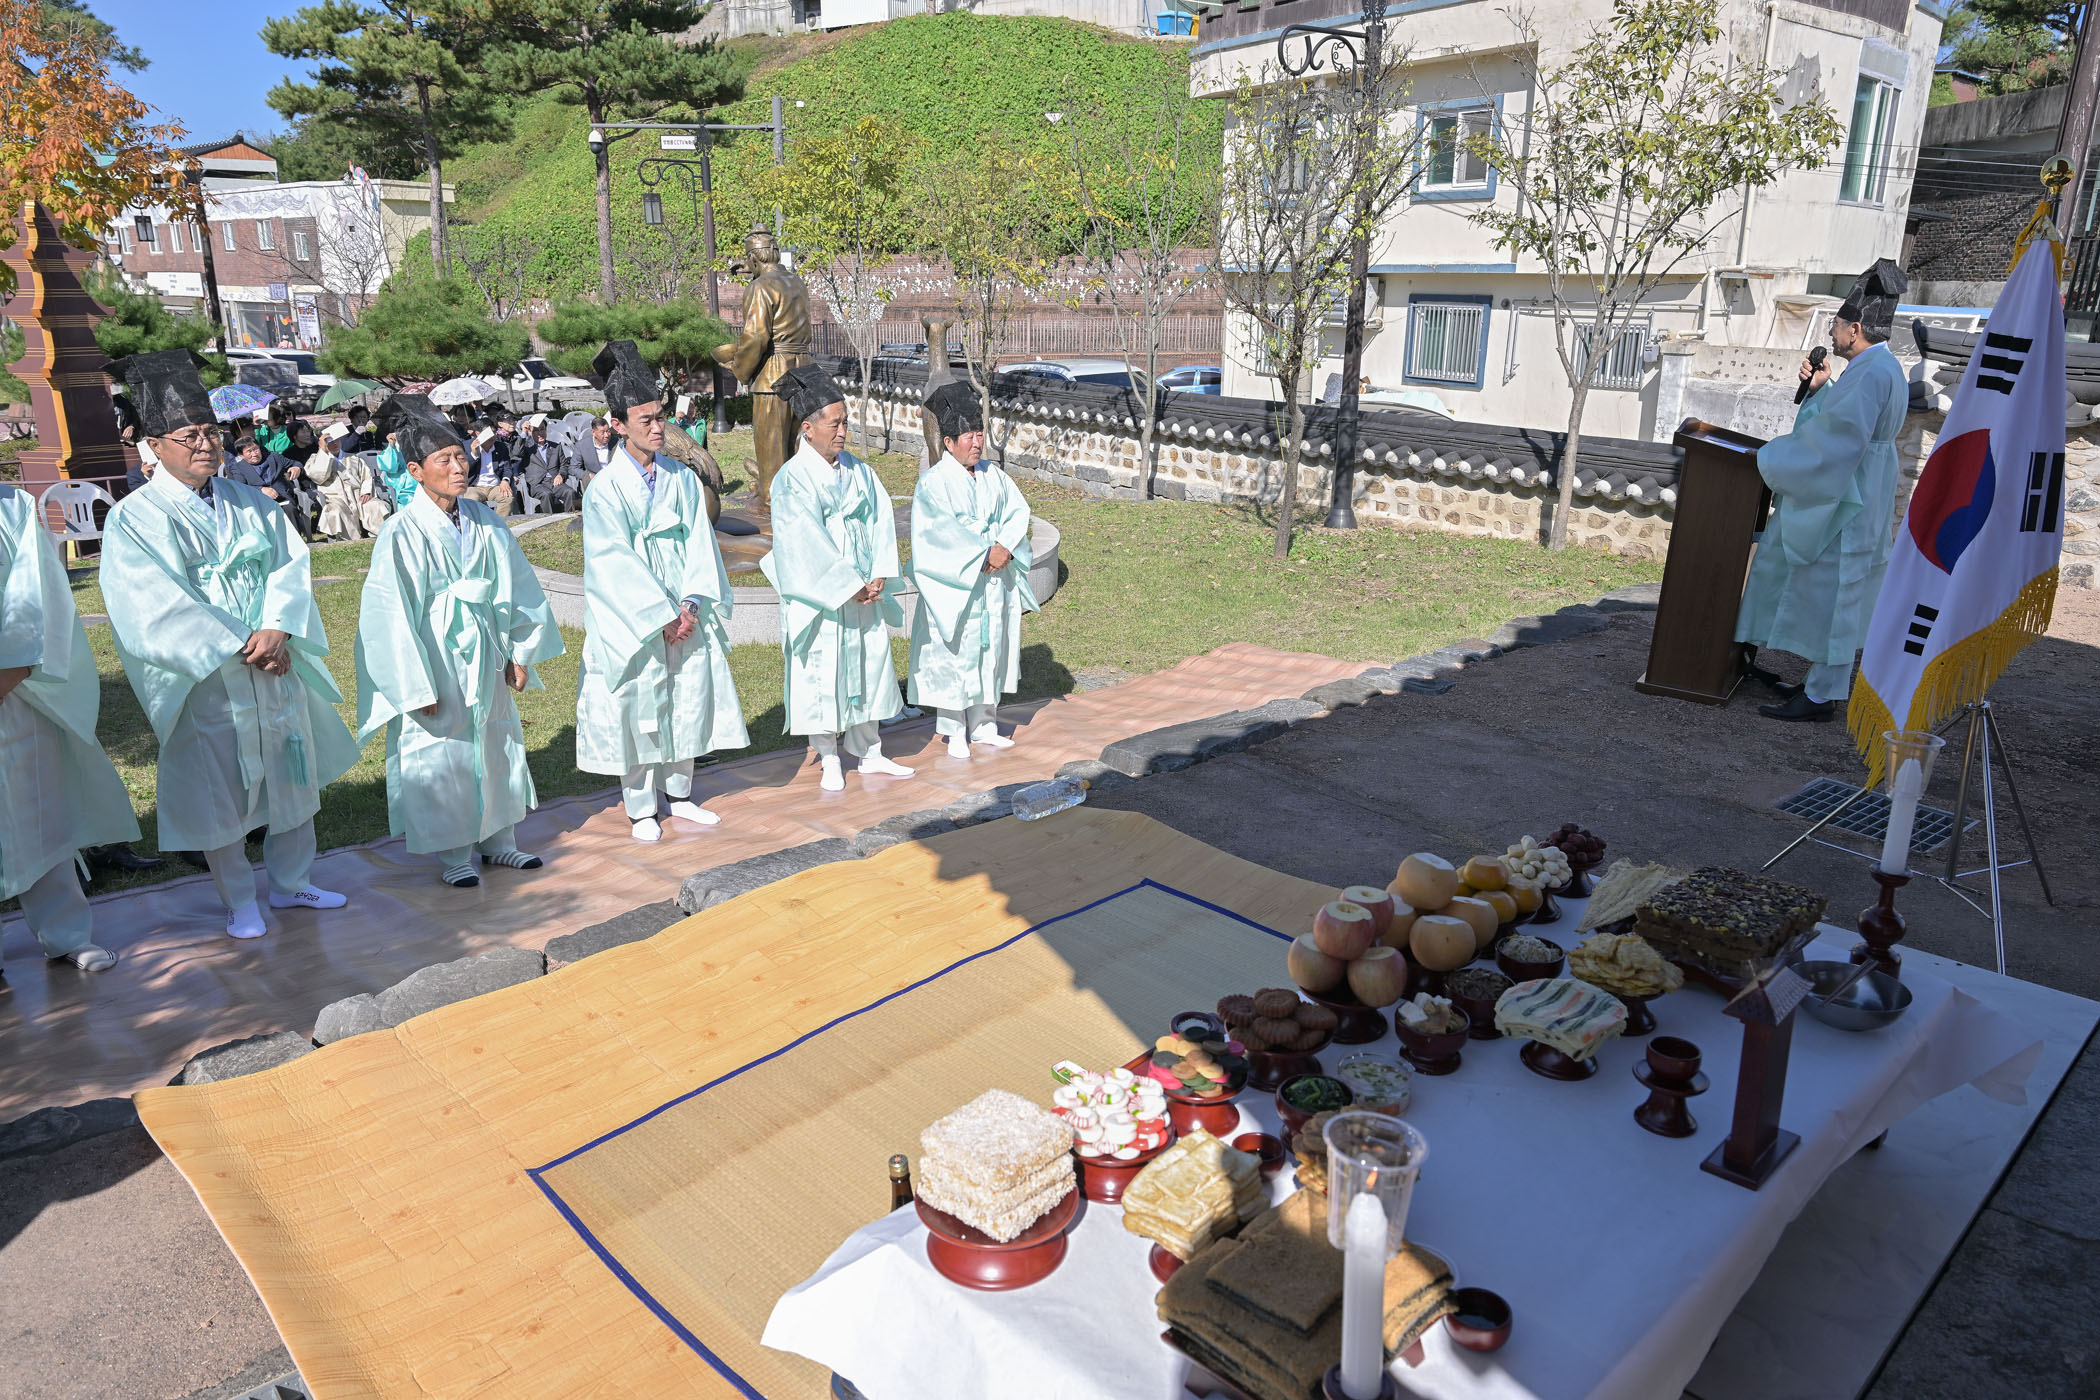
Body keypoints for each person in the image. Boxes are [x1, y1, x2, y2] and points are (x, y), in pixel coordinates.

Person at [99, 350, 357, 940]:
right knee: (218, 788)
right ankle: (239, 898)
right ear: (154, 445)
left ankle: (292, 882)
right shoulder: (135, 519)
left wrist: (278, 628)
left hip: (274, 658)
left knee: (292, 772)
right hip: (209, 675)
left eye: (210, 432)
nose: (205, 445)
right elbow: (150, 604)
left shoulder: (247, 500)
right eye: (189, 436)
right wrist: (245, 640)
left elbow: (288, 565)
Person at [355, 395, 565, 888]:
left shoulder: (485, 520)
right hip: (435, 651)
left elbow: (517, 586)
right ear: (415, 471)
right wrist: (412, 684)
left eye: (459, 455)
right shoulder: (401, 531)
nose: (458, 467)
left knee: (495, 736)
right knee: (442, 746)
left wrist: (520, 652)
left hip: (486, 644)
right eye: (443, 460)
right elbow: (387, 614)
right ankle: (453, 852)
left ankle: (499, 840)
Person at [576, 340, 748, 842]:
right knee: (638, 701)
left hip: (683, 602)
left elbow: (700, 543)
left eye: (660, 417)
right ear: (619, 425)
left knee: (686, 696)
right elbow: (611, 561)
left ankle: (681, 793)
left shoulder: (681, 479)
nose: (658, 427)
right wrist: (661, 614)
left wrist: (691, 603)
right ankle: (640, 806)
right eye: (645, 419)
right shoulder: (605, 489)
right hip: (633, 613)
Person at [1737, 259, 1913, 723]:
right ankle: (1819, 685)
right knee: (1838, 590)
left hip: (1851, 490)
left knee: (1839, 592)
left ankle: (1819, 697)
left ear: (1855, 329)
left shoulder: (1871, 373)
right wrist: (1820, 389)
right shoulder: (1880, 367)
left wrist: (1773, 458)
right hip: (1864, 481)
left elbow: (1836, 441)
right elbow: (1843, 421)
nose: (1831, 333)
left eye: (1836, 324)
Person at [0, 481, 141, 975]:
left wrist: (10, 670)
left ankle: (65, 933)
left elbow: (36, 594)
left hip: (14, 688)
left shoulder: (11, 506)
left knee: (38, 807)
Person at [759, 363, 913, 791]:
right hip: (823, 596)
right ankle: (828, 755)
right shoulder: (792, 479)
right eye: (835, 424)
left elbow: (881, 517)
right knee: (821, 671)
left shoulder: (859, 470)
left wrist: (879, 571)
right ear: (808, 429)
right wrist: (847, 585)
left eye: (846, 422)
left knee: (868, 665)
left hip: (865, 587)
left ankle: (870, 751)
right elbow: (802, 542)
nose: (843, 431)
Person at [908, 382, 1039, 759]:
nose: (977, 443)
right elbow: (935, 535)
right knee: (955, 651)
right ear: (949, 442)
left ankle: (984, 725)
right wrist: (982, 555)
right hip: (959, 582)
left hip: (994, 579)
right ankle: (954, 729)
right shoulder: (933, 483)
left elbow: (1017, 511)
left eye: (980, 434)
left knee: (990, 646)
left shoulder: (993, 475)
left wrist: (1005, 547)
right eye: (969, 436)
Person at [715, 228, 815, 507]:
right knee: (797, 448)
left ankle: (772, 510)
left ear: (754, 258)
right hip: (804, 373)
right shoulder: (797, 282)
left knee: (771, 453)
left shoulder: (760, 287)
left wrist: (739, 368)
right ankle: (801, 507)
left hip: (773, 377)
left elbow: (756, 337)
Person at [308, 422, 392, 541]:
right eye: (330, 441)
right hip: (335, 498)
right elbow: (318, 476)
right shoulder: (315, 460)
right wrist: (323, 451)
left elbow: (366, 477)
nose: (335, 443)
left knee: (377, 505)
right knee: (336, 511)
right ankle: (347, 539)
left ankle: (378, 535)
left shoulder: (353, 458)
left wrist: (366, 492)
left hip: (358, 495)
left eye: (337, 440)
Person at [227, 436, 317, 539]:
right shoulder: (238, 467)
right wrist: (260, 490)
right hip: (258, 503)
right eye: (249, 451)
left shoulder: (273, 457)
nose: (254, 454)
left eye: (256, 449)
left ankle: (296, 539)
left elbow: (295, 463)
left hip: (282, 497)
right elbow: (239, 487)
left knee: (290, 508)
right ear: (241, 455)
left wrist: (297, 468)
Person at [519, 415, 583, 514]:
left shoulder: (556, 447)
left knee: (570, 492)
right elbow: (516, 452)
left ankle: (571, 517)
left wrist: (560, 475)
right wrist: (523, 432)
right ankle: (549, 519)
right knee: (546, 494)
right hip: (537, 483)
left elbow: (564, 465)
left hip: (554, 481)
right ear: (530, 432)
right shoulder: (527, 448)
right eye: (536, 430)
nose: (540, 433)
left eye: (542, 429)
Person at [462, 424, 518, 516]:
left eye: (494, 433)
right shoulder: (466, 446)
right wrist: (474, 455)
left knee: (507, 497)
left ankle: (499, 522)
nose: (492, 436)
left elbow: (507, 467)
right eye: (488, 433)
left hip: (495, 486)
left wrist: (505, 480)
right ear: (478, 433)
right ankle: (479, 522)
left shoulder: (501, 447)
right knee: (471, 499)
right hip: (474, 486)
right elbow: (464, 469)